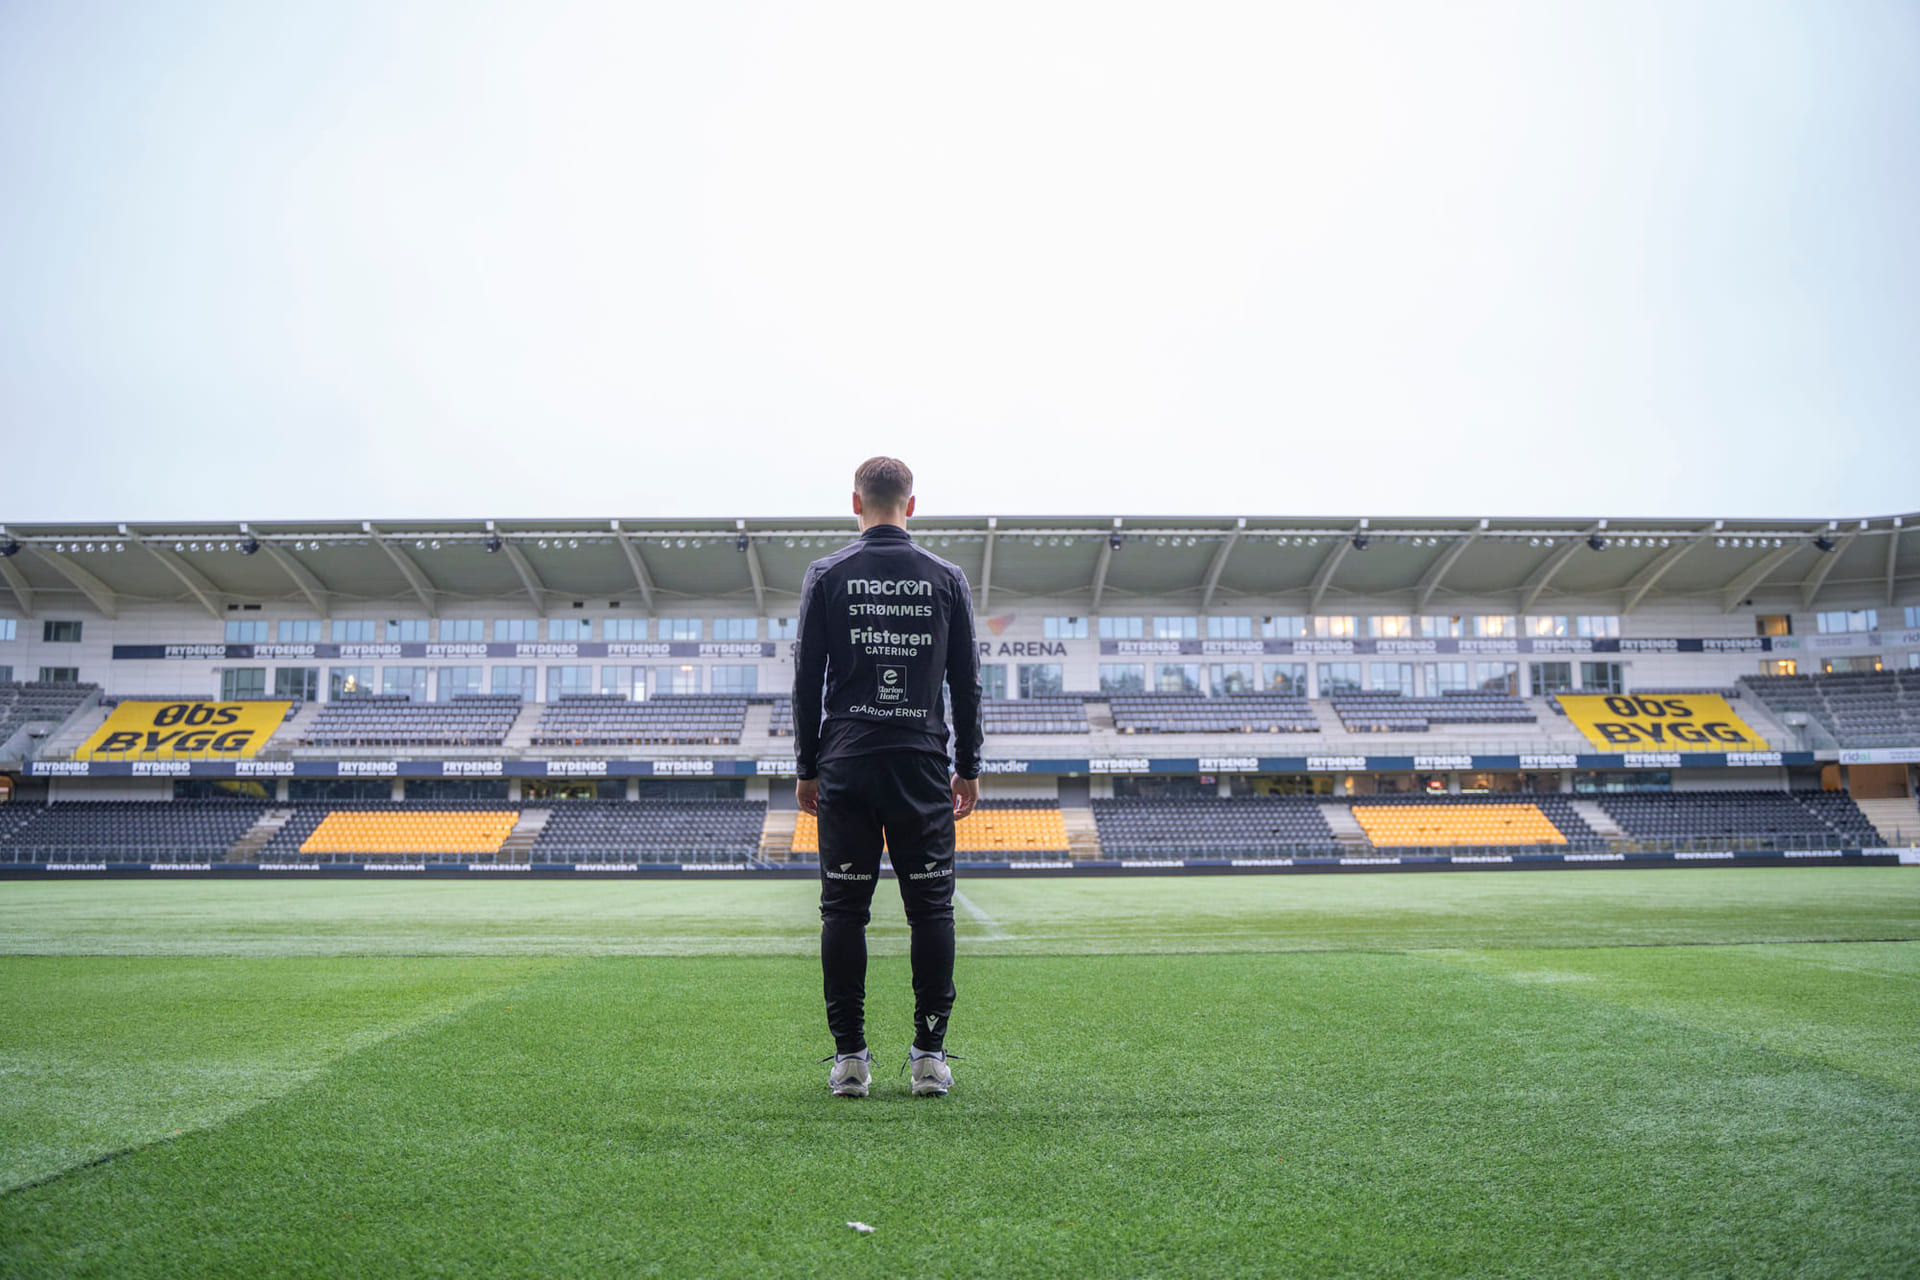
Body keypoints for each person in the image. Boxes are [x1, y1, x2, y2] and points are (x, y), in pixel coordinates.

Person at [793, 456, 983, 1098]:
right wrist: (969, 767)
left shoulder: (827, 575)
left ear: (856, 503)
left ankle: (850, 1061)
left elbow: (806, 680)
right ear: (911, 504)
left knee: (843, 911)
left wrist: (806, 767)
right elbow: (966, 682)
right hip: (921, 762)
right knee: (931, 909)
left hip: (846, 758)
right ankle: (929, 1057)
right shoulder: (947, 577)